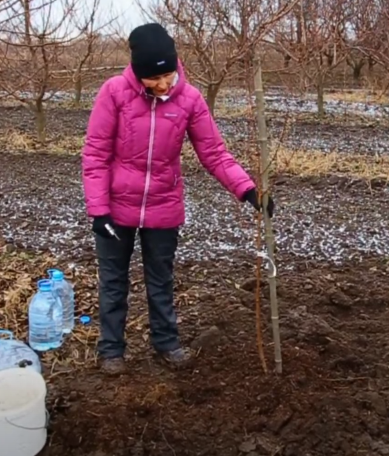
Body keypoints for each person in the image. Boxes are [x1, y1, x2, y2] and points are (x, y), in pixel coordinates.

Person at [81, 23, 275, 375]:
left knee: (161, 279)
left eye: (169, 74)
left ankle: (166, 342)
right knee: (113, 281)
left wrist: (248, 190)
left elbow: (214, 153)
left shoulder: (190, 100)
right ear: (138, 74)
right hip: (116, 208)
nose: (164, 84)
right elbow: (95, 155)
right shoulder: (113, 93)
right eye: (154, 78)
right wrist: (99, 212)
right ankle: (111, 350)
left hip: (163, 205)